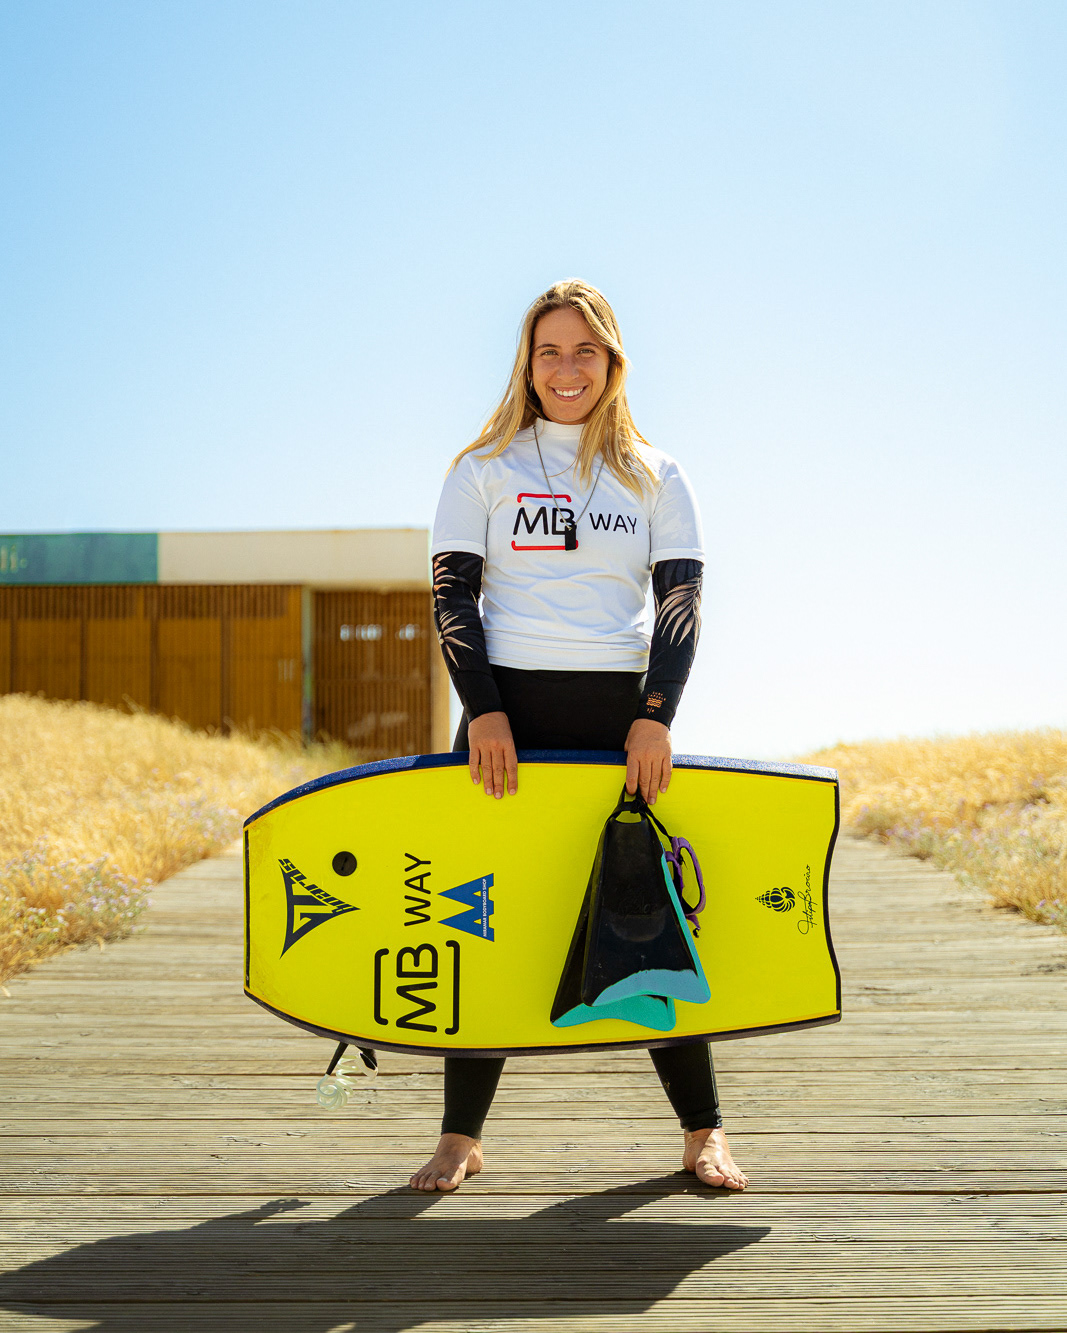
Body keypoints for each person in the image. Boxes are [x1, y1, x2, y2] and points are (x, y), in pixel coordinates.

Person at [413, 279, 748, 1194]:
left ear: (612, 363)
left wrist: (654, 716)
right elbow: (452, 597)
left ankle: (704, 1131)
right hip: (505, 716)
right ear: (527, 365)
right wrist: (484, 708)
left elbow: (679, 601)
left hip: (616, 717)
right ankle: (459, 1135)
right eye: (549, 352)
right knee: (481, 917)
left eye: (584, 351)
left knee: (646, 912)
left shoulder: (654, 473)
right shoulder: (482, 467)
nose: (567, 369)